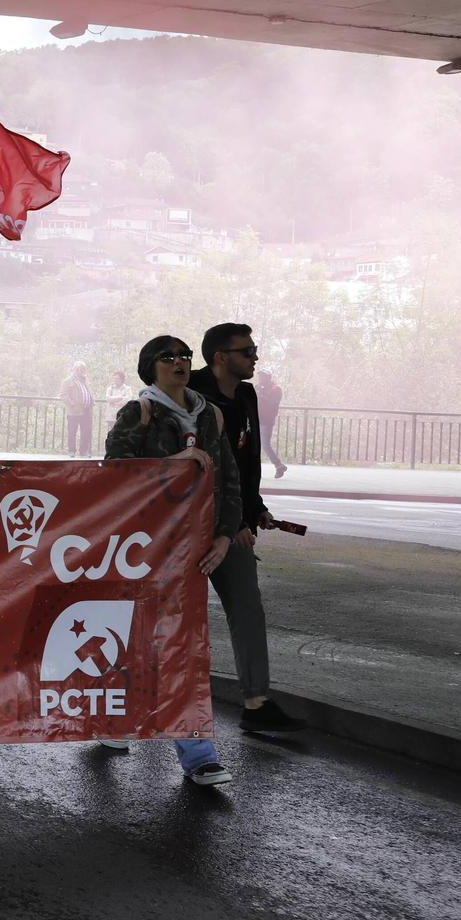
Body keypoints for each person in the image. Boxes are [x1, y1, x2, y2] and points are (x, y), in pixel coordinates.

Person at [100, 333, 240, 787]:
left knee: (182, 649)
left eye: (184, 356)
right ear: (150, 367)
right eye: (168, 357)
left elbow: (228, 478)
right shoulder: (137, 413)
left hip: (192, 552)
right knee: (140, 638)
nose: (179, 362)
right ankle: (115, 720)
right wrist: (176, 461)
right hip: (144, 549)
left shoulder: (210, 415)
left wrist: (223, 535)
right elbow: (113, 476)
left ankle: (198, 754)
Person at [192, 324, 303, 734]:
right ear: (221, 356)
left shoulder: (247, 393)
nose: (255, 357)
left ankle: (256, 702)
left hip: (234, 519)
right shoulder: (194, 394)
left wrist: (254, 508)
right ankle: (142, 700)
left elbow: (246, 459)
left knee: (247, 609)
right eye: (247, 350)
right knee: (167, 617)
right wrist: (235, 520)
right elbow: (209, 466)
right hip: (188, 524)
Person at [255, 368, 287, 477]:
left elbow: (272, 404)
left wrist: (262, 395)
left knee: (265, 445)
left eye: (263, 377)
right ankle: (252, 469)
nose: (260, 379)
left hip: (266, 421)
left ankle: (279, 465)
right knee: (254, 444)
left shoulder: (276, 389)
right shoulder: (257, 388)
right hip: (256, 419)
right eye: (260, 376)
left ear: (268, 378)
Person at [60, 361, 95, 457]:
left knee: (86, 432)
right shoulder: (67, 381)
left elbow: (89, 392)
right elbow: (63, 395)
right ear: (74, 369)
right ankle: (72, 451)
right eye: (79, 369)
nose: (82, 371)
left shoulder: (86, 380)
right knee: (72, 431)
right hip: (74, 411)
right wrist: (72, 404)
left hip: (87, 410)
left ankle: (84, 451)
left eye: (83, 369)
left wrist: (92, 401)